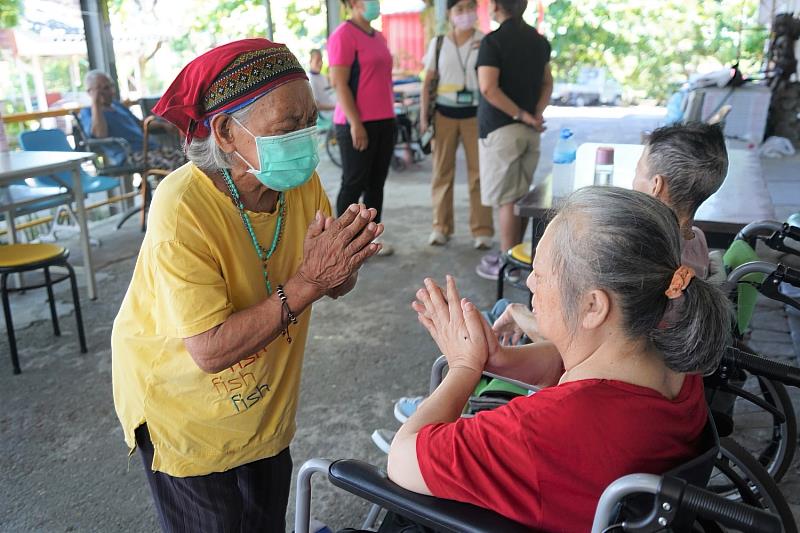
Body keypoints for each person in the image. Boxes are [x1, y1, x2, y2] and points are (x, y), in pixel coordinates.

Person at [111, 39, 383, 532]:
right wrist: (310, 280)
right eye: (287, 127)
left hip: (264, 403)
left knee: (263, 520)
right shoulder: (182, 206)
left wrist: (345, 260)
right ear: (226, 132)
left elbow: (330, 283)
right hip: (185, 406)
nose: (305, 138)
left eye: (309, 122)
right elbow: (210, 351)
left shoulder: (299, 183)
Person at [387, 186, 732, 531]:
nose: (531, 282)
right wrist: (497, 358)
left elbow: (403, 458)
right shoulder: (675, 356)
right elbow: (578, 371)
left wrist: (463, 366)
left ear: (593, 306)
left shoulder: (539, 430)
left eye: (541, 272)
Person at [490, 122, 730, 345]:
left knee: (499, 311)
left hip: (568, 354)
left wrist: (519, 314)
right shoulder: (697, 241)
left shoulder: (634, 254)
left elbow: (578, 335)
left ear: (656, 185)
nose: (632, 180)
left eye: (638, 171)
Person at [474, 0, 553, 280]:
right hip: (530, 132)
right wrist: (534, 114)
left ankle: (508, 266)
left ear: (496, 6)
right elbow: (547, 82)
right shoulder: (539, 41)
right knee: (520, 196)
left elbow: (488, 87)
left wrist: (520, 115)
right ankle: (516, 258)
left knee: (508, 200)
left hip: (502, 130)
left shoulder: (493, 42)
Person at [421, 0, 494, 250]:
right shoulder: (439, 43)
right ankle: (440, 227)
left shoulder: (486, 41)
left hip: (476, 116)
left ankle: (482, 230)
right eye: (459, 9)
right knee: (442, 173)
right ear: (450, 14)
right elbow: (428, 82)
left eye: (469, 8)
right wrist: (423, 119)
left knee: (479, 174)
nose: (465, 14)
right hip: (443, 115)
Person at [329, 0, 396, 256]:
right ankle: (343, 244)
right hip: (355, 122)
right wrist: (356, 123)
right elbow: (340, 84)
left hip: (385, 120)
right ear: (353, 3)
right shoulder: (343, 35)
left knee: (376, 184)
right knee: (354, 182)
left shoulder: (378, 36)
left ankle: (368, 241)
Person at [80, 70, 185, 170]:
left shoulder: (117, 105)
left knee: (186, 161)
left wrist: (162, 124)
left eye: (111, 86)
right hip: (130, 155)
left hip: (149, 148)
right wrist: (96, 102)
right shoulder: (88, 112)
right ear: (91, 92)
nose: (112, 91)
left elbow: (139, 123)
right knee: (174, 166)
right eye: (105, 88)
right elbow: (100, 134)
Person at [309, 48, 337, 122]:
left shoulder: (323, 77)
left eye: (321, 60)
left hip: (334, 110)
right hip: (326, 116)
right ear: (310, 61)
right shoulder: (310, 80)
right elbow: (316, 106)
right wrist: (336, 107)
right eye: (318, 60)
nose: (320, 63)